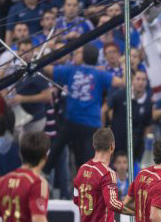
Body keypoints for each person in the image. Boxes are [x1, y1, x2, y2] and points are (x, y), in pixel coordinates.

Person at [46, 44, 123, 173]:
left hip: (72, 122)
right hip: (90, 125)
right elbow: (120, 82)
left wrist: (35, 64)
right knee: (86, 163)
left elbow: (50, 70)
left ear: (83, 57)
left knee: (56, 151)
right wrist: (123, 66)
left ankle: (45, 171)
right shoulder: (100, 74)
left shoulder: (71, 70)